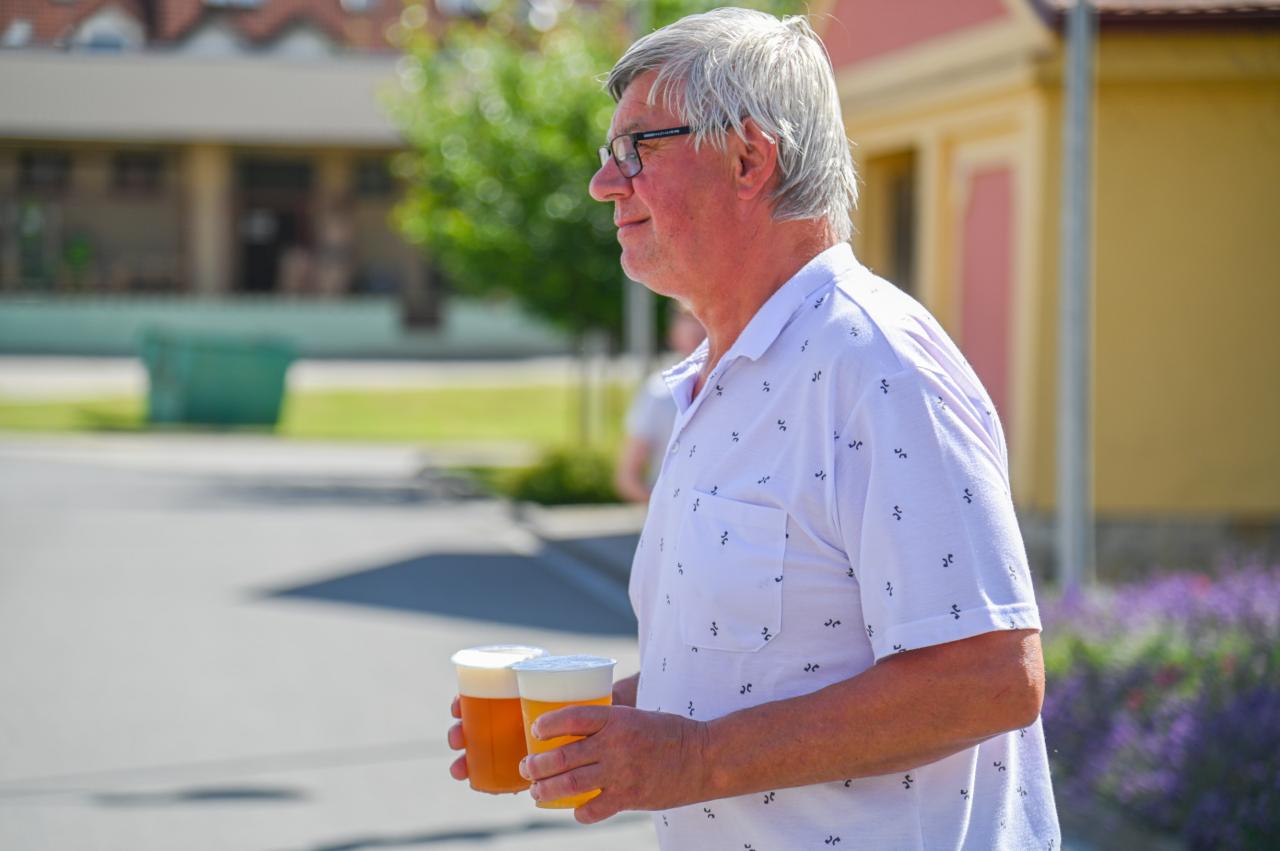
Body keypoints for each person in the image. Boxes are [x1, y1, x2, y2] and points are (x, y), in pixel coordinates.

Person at [449, 8, 1061, 848]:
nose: (603, 182)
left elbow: (989, 678)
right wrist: (604, 727)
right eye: (608, 152)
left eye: (637, 147)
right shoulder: (719, 380)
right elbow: (757, 665)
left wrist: (696, 758)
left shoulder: (876, 366)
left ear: (747, 157)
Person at [614, 303, 707, 503]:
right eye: (688, 318)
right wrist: (670, 510)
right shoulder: (658, 392)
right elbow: (628, 477)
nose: (697, 326)